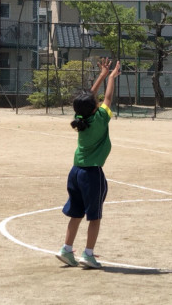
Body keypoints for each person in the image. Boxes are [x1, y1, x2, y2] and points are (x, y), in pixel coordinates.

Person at [56, 57, 121, 269]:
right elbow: (108, 98)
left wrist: (102, 74)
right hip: (92, 174)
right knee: (94, 216)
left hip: (75, 172)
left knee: (76, 213)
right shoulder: (100, 118)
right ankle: (89, 254)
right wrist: (111, 77)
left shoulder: (81, 117)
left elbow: (88, 98)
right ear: (94, 107)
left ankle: (66, 249)